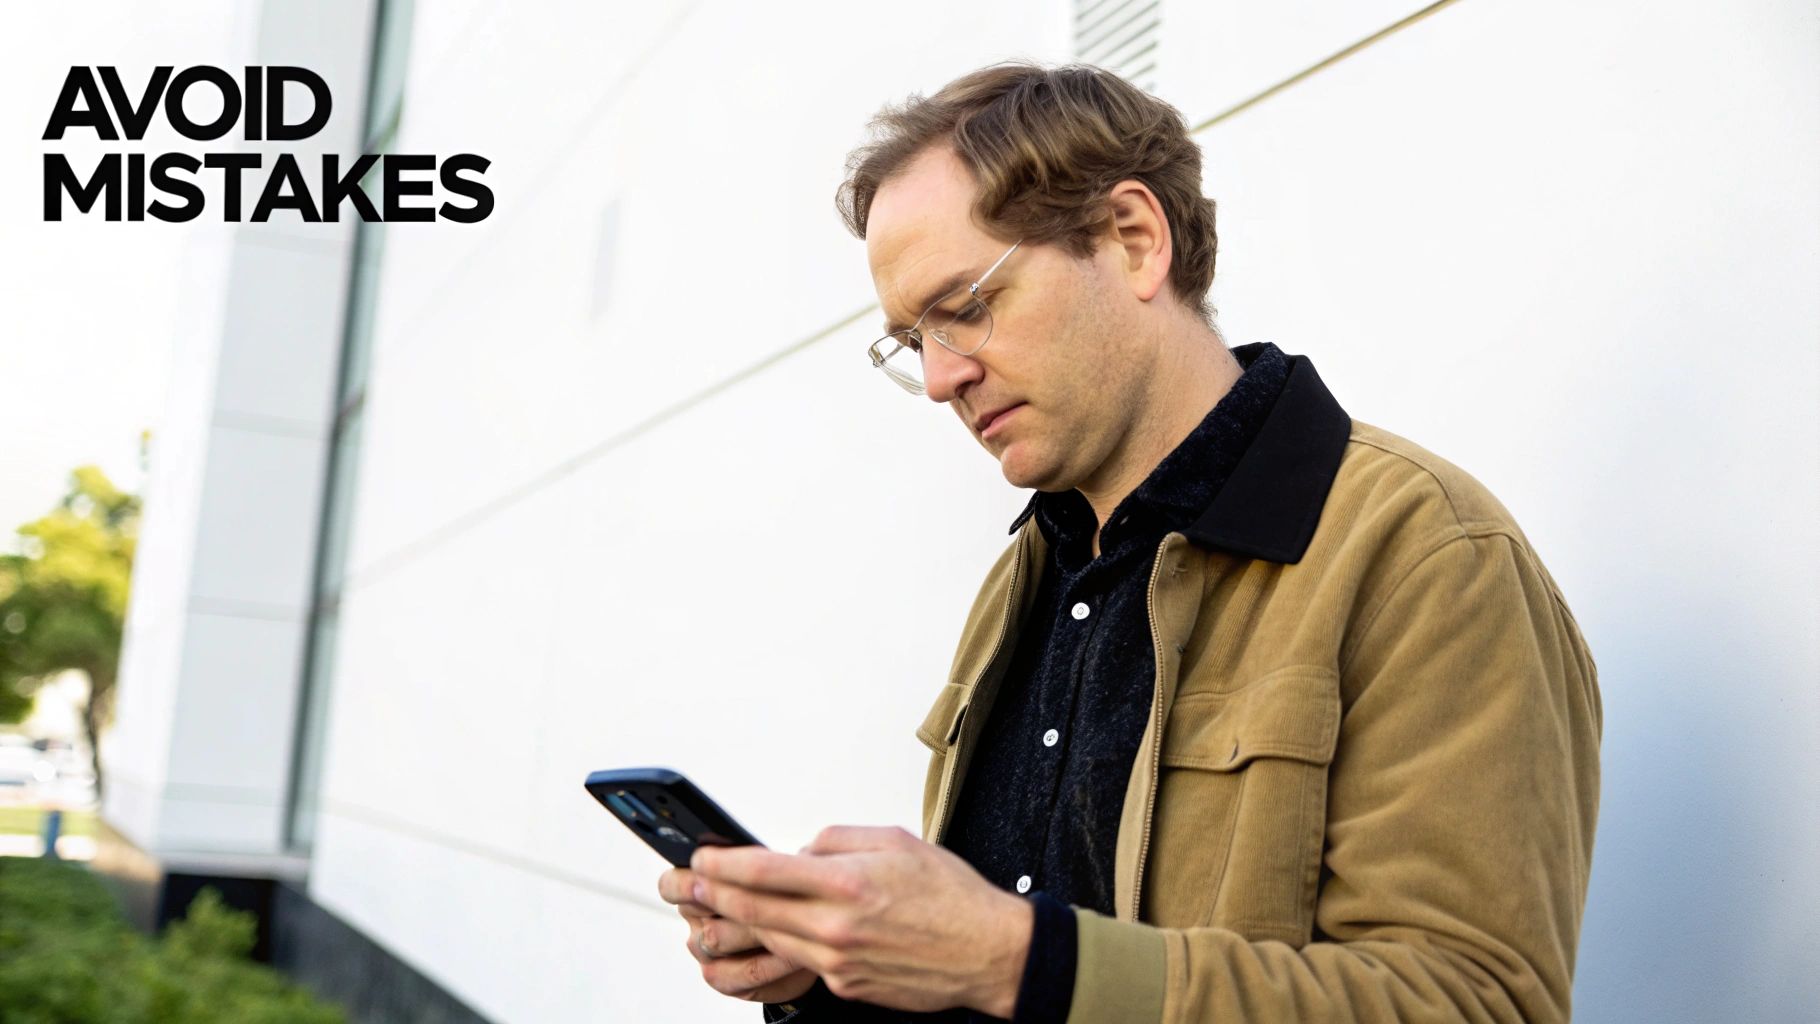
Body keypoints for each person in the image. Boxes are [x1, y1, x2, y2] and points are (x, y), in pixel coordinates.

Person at [656, 61, 1602, 1023]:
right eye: (912, 341)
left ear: (1133, 240)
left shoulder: (1428, 554)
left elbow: (1477, 1005)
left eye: (966, 307)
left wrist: (1014, 959)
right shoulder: (1027, 573)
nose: (941, 379)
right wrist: (844, 974)